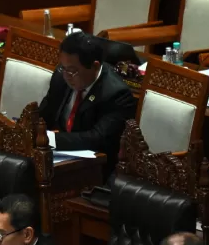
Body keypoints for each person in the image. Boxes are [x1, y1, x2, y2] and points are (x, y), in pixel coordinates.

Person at [38, 32, 136, 180]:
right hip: (59, 159)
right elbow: (44, 114)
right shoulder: (61, 77)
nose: (66, 75)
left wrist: (48, 138)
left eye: (72, 70)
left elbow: (96, 139)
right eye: (63, 68)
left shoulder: (117, 94)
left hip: (96, 170)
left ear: (95, 66)